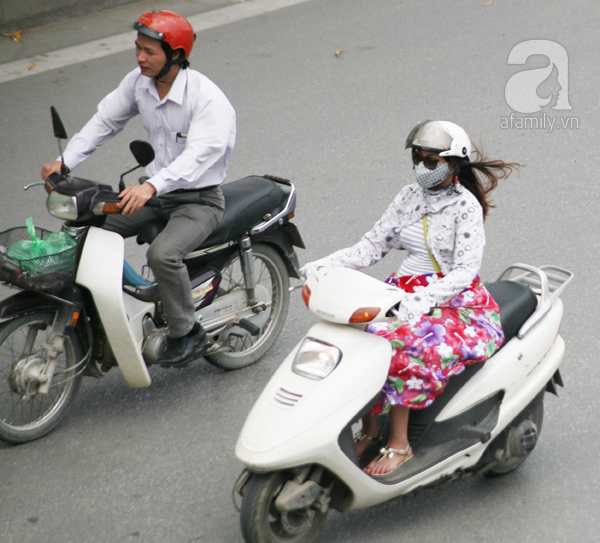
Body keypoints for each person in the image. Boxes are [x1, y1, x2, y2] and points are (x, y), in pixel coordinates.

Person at [300, 120, 519, 477]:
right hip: (401, 291)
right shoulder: (407, 197)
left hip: (455, 303)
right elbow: (373, 245)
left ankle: (399, 442)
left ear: (454, 165)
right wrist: (324, 265)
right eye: (418, 157)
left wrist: (423, 300)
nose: (422, 167)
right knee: (358, 334)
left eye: (432, 161)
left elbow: (464, 272)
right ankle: (370, 431)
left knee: (402, 345)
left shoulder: (466, 207)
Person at [41, 10, 237, 367]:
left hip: (199, 199)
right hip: (154, 192)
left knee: (163, 255)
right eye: (138, 48)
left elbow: (199, 156)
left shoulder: (206, 99)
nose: (140, 57)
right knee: (88, 228)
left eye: (150, 51)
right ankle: (110, 310)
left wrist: (152, 187)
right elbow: (105, 121)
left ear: (175, 55)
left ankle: (187, 331)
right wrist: (65, 161)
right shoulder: (139, 82)